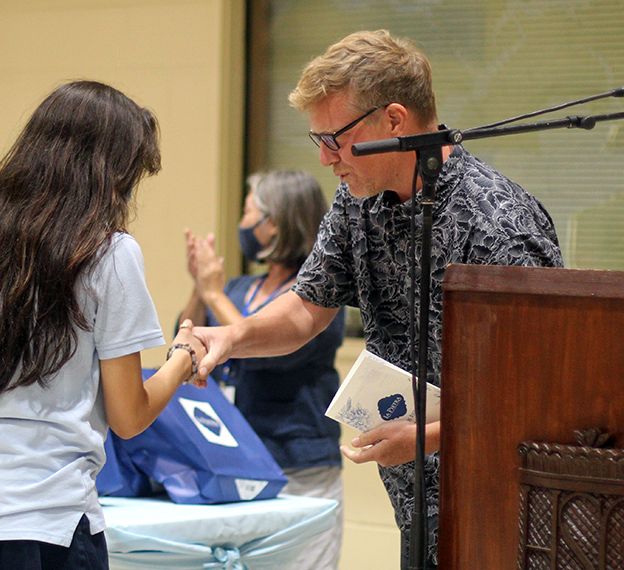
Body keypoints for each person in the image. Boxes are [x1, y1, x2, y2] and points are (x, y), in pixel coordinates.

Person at [193, 30, 564, 569]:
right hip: (415, 500)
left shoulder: (497, 224)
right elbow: (306, 305)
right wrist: (231, 336)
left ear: (394, 121)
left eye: (334, 139)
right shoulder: (357, 198)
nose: (325, 160)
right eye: (316, 140)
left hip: (501, 503)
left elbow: (538, 394)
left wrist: (429, 438)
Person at [0, 80, 206, 570]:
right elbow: (129, 415)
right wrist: (183, 357)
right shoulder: (109, 253)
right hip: (47, 527)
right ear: (109, 172)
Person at [179, 169, 346, 570]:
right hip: (237, 464)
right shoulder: (240, 288)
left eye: (248, 212)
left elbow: (274, 351)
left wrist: (215, 293)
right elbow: (185, 342)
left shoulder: (317, 298)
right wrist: (200, 288)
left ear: (274, 224)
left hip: (300, 467)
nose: (242, 225)